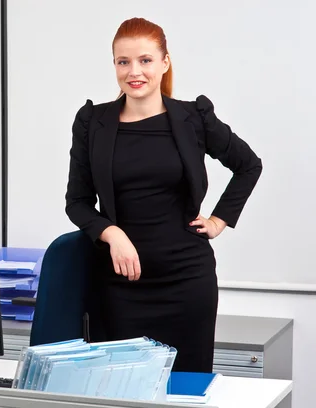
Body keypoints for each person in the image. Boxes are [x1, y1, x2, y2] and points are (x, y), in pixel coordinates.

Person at [64, 17, 262, 373]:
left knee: (186, 390)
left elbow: (248, 165)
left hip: (187, 283)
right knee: (122, 391)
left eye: (145, 60)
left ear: (165, 62)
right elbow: (77, 202)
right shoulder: (93, 122)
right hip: (120, 286)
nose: (133, 71)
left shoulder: (194, 117)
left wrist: (219, 221)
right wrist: (111, 233)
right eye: (123, 62)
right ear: (114, 65)